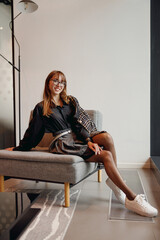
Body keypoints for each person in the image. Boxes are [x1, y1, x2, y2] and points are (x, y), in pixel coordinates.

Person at [8, 70, 158, 217]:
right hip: (62, 143)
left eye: (62, 81)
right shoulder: (42, 107)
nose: (59, 84)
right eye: (55, 80)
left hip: (77, 138)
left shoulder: (70, 101)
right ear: (48, 83)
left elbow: (78, 126)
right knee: (105, 155)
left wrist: (88, 141)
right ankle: (132, 198)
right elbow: (33, 133)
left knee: (107, 138)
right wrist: (18, 148)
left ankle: (115, 181)